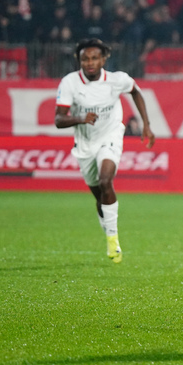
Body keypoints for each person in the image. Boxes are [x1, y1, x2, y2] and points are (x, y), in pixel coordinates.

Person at [55, 38, 155, 263]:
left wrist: (146, 125)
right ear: (79, 60)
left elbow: (136, 92)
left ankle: (113, 241)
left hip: (110, 136)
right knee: (99, 196)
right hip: (84, 145)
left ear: (103, 59)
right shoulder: (70, 83)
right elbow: (59, 120)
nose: (89, 62)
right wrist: (80, 118)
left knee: (105, 180)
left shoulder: (116, 80)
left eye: (94, 58)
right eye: (85, 59)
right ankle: (107, 224)